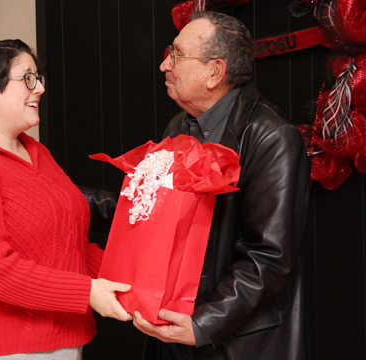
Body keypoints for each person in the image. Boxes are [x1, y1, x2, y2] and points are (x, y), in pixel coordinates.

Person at [0, 39, 132, 360]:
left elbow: (70, 245)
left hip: (61, 340)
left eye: (39, 78)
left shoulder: (36, 152)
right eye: (28, 79)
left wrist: (130, 280)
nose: (40, 89)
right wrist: (88, 292)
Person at [132, 11, 310, 360]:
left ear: (215, 72)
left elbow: (269, 258)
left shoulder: (271, 137)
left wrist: (203, 324)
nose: (164, 65)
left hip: (232, 339)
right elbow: (155, 211)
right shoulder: (180, 126)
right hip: (170, 327)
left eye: (177, 54)